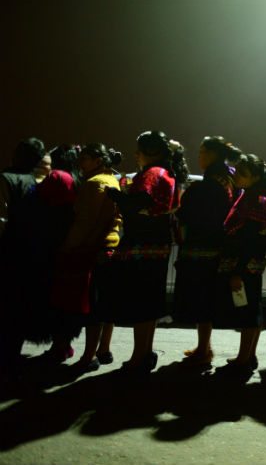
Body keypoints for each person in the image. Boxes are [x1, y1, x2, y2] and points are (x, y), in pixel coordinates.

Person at [105, 130, 188, 373]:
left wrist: (115, 195)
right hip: (157, 248)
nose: (136, 155)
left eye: (139, 150)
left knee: (141, 304)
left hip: (142, 248)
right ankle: (145, 353)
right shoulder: (168, 173)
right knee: (150, 304)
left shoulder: (153, 174)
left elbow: (139, 202)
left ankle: (138, 358)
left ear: (150, 152)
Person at [54, 144, 123, 373]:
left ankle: (88, 357)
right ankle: (103, 349)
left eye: (85, 159)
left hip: (94, 249)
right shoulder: (113, 180)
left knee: (93, 309)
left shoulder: (94, 184)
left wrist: (68, 246)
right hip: (111, 246)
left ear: (98, 161)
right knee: (106, 304)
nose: (80, 163)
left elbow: (85, 222)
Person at [174, 136, 240, 366]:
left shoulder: (211, 184)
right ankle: (204, 347)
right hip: (222, 246)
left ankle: (204, 351)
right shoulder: (230, 177)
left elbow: (189, 213)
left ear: (212, 155)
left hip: (205, 250)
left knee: (202, 301)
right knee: (208, 302)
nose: (199, 156)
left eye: (202, 152)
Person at [217, 153, 266, 373]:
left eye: (243, 173)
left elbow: (251, 240)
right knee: (252, 310)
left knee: (248, 313)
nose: (237, 177)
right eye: (238, 171)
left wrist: (238, 270)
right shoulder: (255, 196)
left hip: (245, 265)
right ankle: (248, 356)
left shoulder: (255, 200)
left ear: (254, 177)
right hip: (251, 264)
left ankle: (244, 359)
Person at [0, 138, 47, 385]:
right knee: (16, 311)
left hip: (6, 253)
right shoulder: (38, 184)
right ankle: (12, 362)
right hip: (28, 255)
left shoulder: (5, 179)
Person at [34, 145, 83, 362]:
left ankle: (58, 347)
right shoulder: (78, 179)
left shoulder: (57, 177)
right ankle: (64, 345)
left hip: (52, 245)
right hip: (73, 245)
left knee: (52, 297)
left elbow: (33, 202)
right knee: (67, 298)